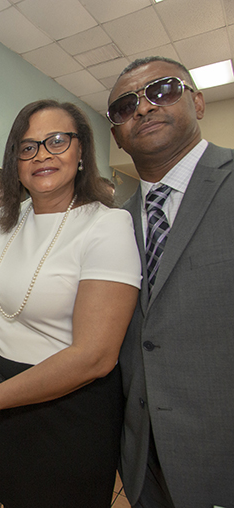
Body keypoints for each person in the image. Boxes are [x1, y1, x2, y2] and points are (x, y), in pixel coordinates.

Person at [0, 99, 141, 508]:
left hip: (67, 406)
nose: (42, 155)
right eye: (28, 146)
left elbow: (96, 356)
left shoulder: (106, 225)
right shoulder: (7, 220)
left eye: (57, 141)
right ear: (15, 161)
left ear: (82, 151)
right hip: (5, 400)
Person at [107, 56, 234, 508]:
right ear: (117, 137)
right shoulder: (114, 224)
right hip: (143, 461)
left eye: (161, 91)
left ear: (198, 103)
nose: (141, 108)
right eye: (124, 107)